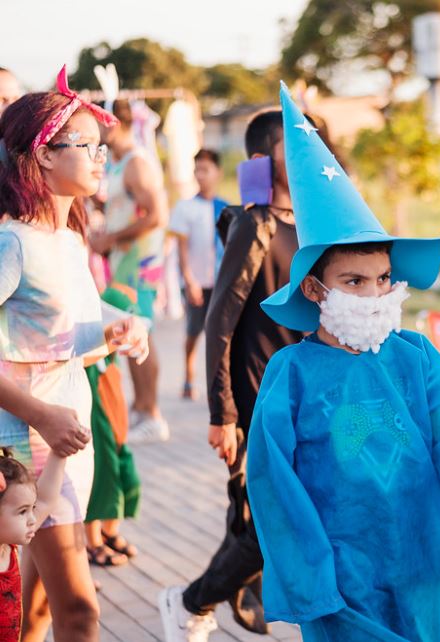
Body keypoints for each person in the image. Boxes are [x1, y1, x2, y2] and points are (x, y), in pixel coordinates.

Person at [244, 83, 440, 642]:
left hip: (425, 555)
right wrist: (311, 575)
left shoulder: (415, 357)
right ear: (315, 289)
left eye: (384, 278)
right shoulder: (290, 375)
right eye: (354, 281)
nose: (374, 292)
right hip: (344, 574)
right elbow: (272, 482)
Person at [0, 66, 148, 642]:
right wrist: (39, 415)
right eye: (83, 145)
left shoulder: (66, 239)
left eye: (100, 145)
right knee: (81, 613)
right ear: (40, 156)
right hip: (29, 438)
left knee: (34, 610)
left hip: (68, 424)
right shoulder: (13, 242)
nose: (99, 156)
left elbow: (70, 331)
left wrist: (119, 328)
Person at [158, 109, 304, 641]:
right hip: (257, 401)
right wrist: (224, 413)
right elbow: (220, 321)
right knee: (269, 520)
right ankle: (190, 600)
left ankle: (194, 607)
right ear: (265, 158)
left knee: (260, 517)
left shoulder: (308, 221)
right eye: (295, 142)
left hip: (300, 398)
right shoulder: (256, 223)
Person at [91, 98, 169, 443]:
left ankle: (152, 413)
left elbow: (156, 215)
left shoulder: (137, 161)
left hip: (140, 265)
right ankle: (141, 410)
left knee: (142, 333)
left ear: (113, 123)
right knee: (131, 330)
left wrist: (111, 238)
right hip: (124, 264)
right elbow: (121, 206)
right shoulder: (119, 163)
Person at [83, 284, 143, 568]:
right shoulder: (92, 358)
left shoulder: (110, 360)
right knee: (101, 484)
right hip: (98, 428)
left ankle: (109, 532)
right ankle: (92, 542)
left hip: (116, 429)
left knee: (126, 479)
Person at [168, 149, 229, 399]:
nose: (201, 175)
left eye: (206, 169)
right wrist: (189, 279)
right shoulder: (185, 207)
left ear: (218, 172)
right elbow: (181, 249)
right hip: (196, 282)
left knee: (222, 335)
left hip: (220, 282)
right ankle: (189, 377)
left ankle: (220, 382)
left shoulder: (226, 208)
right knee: (193, 332)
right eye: (197, 170)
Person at [0, 449, 66, 642]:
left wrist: (59, 452)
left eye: (32, 509)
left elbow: (46, 499)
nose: (32, 519)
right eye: (22, 511)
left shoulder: (8, 546)